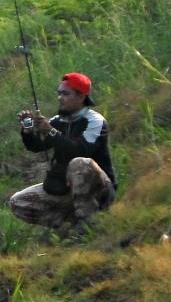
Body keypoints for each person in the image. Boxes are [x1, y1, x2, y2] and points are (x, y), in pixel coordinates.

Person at [9, 72, 116, 230]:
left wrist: (50, 131)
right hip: (66, 188)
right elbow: (36, 146)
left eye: (65, 94)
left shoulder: (95, 121)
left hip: (98, 189)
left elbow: (80, 150)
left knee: (79, 163)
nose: (60, 98)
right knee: (18, 202)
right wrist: (28, 131)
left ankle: (92, 223)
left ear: (81, 97)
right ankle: (70, 226)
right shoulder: (57, 121)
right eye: (59, 93)